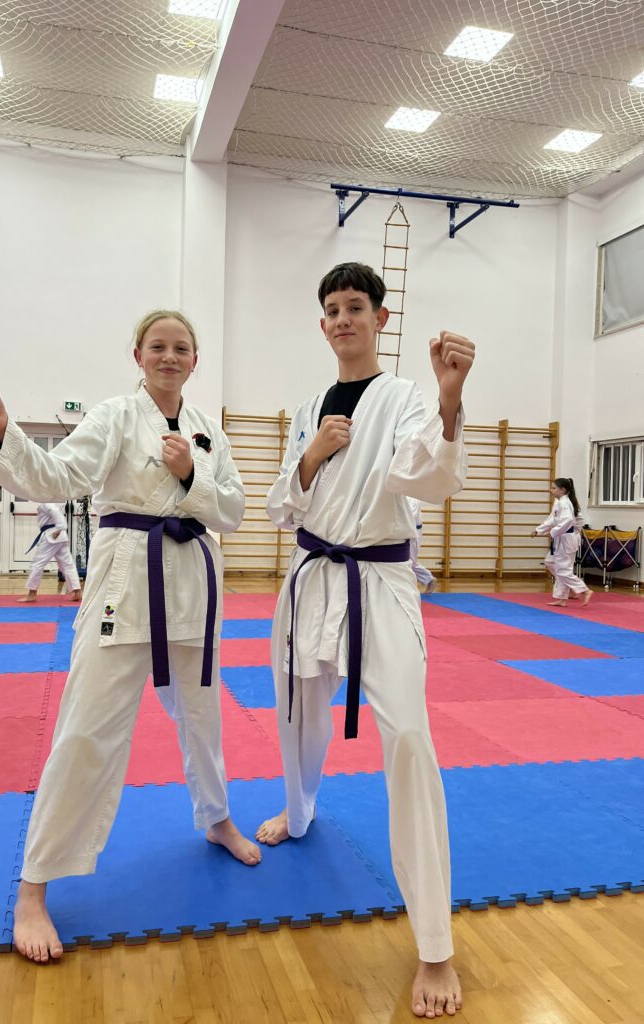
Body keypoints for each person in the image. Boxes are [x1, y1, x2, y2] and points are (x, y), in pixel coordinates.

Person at [0, 310, 260, 965]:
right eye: (158, 346)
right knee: (86, 729)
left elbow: (235, 510)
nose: (169, 356)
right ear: (138, 355)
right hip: (126, 580)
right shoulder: (115, 417)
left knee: (204, 718)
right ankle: (34, 886)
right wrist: (5, 433)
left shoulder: (208, 430)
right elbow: (57, 478)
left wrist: (191, 476)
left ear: (195, 359)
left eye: (180, 347)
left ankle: (217, 819)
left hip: (193, 583)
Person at [255, 262, 474, 1019]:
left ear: (381, 318)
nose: (343, 318)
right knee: (295, 714)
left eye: (356, 306)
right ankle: (300, 811)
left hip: (379, 582)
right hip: (310, 576)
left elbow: (429, 479)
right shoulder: (308, 407)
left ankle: (435, 945)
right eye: (333, 309)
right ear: (322, 325)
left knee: (409, 737)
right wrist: (312, 453)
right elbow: (283, 503)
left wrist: (450, 400)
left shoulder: (406, 398)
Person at [531, 477, 591, 607]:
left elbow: (568, 521)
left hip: (566, 539)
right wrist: (539, 530)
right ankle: (562, 598)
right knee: (551, 562)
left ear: (562, 490)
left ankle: (583, 589)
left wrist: (553, 532)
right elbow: (553, 520)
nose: (550, 490)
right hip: (562, 537)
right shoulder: (559, 502)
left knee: (563, 569)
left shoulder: (565, 503)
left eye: (553, 488)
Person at [19, 502, 82, 602]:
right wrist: (60, 529)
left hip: (52, 535)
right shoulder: (53, 499)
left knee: (37, 563)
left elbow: (54, 511)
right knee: (67, 564)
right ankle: (77, 592)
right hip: (59, 536)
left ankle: (32, 593)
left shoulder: (46, 501)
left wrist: (60, 528)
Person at [407, 497, 437, 594]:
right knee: (405, 561)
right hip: (404, 532)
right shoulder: (402, 496)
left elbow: (411, 517)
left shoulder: (413, 498)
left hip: (413, 532)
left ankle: (429, 579)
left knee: (411, 562)